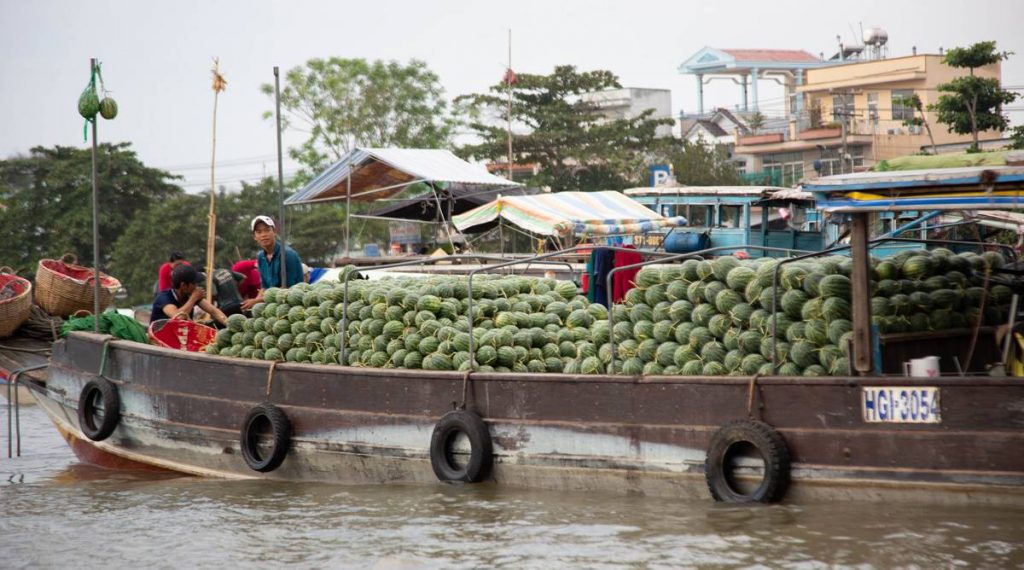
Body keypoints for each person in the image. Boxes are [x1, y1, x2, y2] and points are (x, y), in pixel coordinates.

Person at [241, 215, 303, 311]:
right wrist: (254, 304)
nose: (264, 235)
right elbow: (264, 288)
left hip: (293, 306)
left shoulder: (287, 254)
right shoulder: (261, 257)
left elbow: (288, 290)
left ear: (274, 232)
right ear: (254, 237)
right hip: (273, 306)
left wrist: (256, 301)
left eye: (267, 230)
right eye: (259, 232)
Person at [151, 264, 228, 327]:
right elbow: (178, 317)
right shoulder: (164, 298)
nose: (196, 286)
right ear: (183, 285)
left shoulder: (190, 295)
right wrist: (193, 299)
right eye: (194, 283)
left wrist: (229, 324)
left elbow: (214, 311)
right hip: (160, 337)